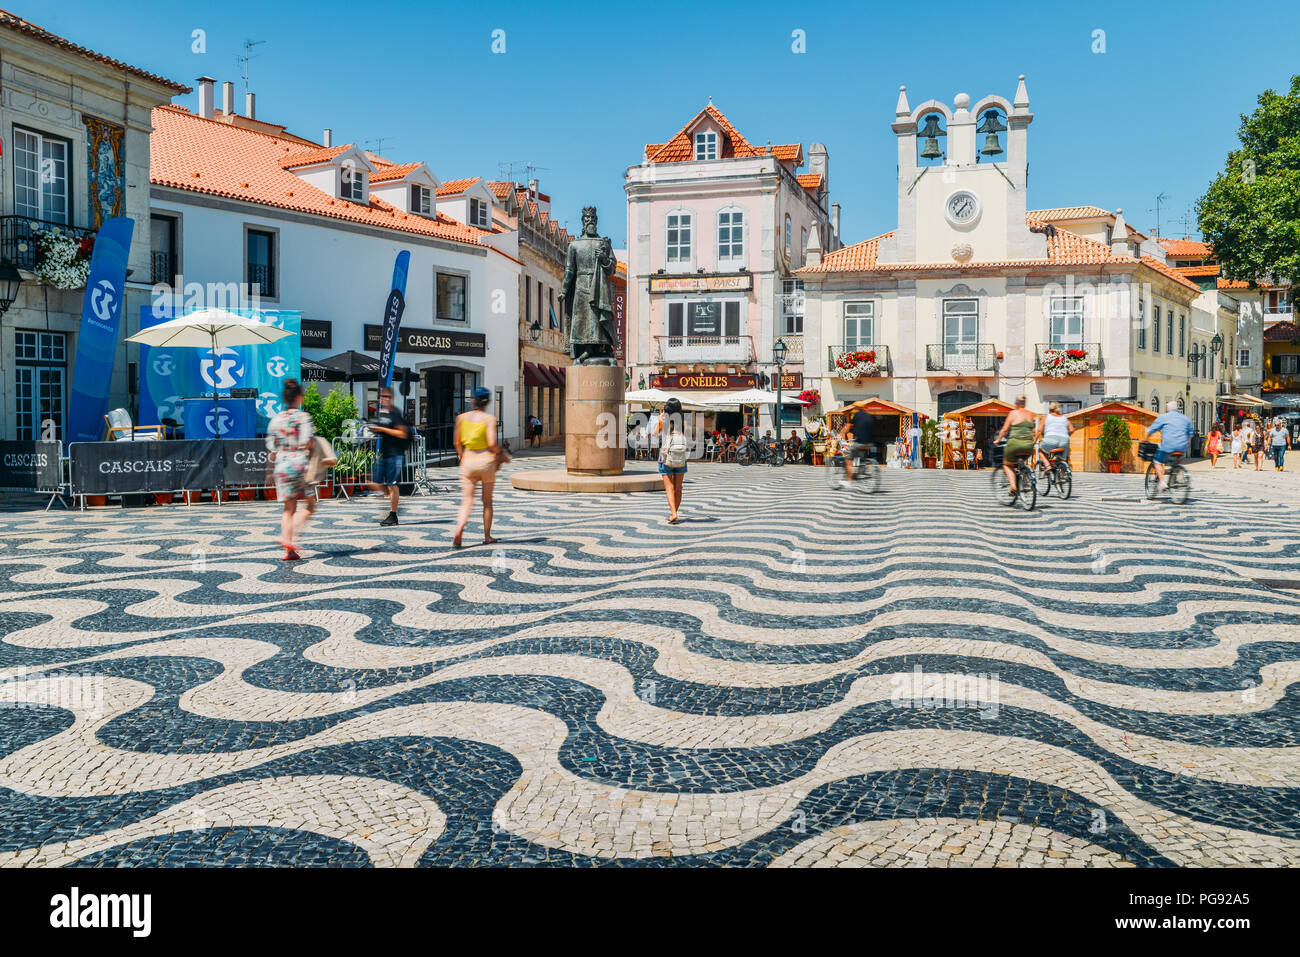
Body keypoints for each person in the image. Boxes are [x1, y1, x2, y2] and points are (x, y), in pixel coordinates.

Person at [265, 378, 316, 561]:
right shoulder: (303, 418)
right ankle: (287, 536)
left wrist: (270, 472)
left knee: (288, 509)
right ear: (300, 397)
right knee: (310, 505)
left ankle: (289, 550)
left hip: (282, 466)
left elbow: (271, 449)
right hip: (299, 464)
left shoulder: (276, 419)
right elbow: (307, 442)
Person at [452, 386, 505, 547]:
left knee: (467, 500)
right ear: (488, 402)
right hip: (485, 461)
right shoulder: (489, 419)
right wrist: (500, 454)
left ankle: (459, 530)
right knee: (487, 502)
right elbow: (491, 443)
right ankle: (487, 536)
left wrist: (462, 455)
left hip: (468, 460)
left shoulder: (461, 418)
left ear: (473, 400)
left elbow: (456, 442)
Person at [366, 386, 411, 526]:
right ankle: (393, 500)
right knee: (372, 482)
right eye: (381, 396)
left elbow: (402, 434)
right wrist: (374, 430)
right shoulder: (382, 414)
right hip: (384, 453)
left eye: (386, 396)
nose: (383, 399)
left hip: (396, 454)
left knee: (392, 485)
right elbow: (384, 431)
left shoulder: (395, 414)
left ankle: (393, 515)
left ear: (391, 398)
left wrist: (382, 429)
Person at [1145, 399, 1195, 491]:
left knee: (1157, 461)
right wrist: (1185, 442)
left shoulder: (1164, 417)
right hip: (1182, 447)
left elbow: (1152, 430)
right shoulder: (1185, 418)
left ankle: (1162, 482)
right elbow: (1191, 435)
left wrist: (1146, 439)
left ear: (1167, 409)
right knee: (1178, 458)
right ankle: (1175, 473)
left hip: (1168, 446)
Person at [654, 397, 688, 523]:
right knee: (678, 488)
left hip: (665, 457)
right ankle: (674, 512)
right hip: (680, 456)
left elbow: (654, 434)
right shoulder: (683, 422)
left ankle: (673, 513)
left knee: (669, 487)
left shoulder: (663, 421)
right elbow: (687, 437)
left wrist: (659, 420)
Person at [994, 395, 1037, 493]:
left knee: (1007, 464)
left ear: (1017, 403)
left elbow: (1005, 429)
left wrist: (998, 440)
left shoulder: (1013, 413)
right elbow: (1032, 429)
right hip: (1029, 445)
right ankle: (1025, 479)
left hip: (1015, 443)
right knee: (1021, 462)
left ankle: (1013, 486)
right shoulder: (1030, 414)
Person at [837, 400, 874, 487]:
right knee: (861, 457)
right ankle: (862, 469)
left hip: (859, 442)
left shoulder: (857, 415)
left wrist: (841, 433)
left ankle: (849, 482)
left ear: (857, 407)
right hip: (869, 443)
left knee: (848, 459)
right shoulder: (869, 416)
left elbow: (848, 427)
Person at [1035, 401, 1074, 471]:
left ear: (1050, 409)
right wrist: (1065, 436)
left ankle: (1047, 466)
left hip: (1050, 439)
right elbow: (1071, 430)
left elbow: (1039, 431)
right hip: (1064, 441)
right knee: (1062, 460)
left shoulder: (1046, 417)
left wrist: (1034, 441)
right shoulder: (1064, 418)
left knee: (1040, 451)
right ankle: (1062, 475)